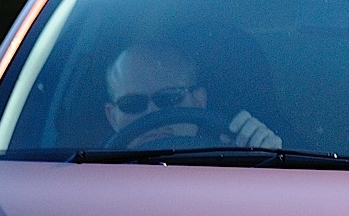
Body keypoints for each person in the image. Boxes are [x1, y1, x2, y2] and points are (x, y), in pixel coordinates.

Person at [103, 43, 282, 149]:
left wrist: (266, 158)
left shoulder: (237, 166)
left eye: (169, 98)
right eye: (132, 103)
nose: (152, 113)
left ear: (198, 100)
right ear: (112, 116)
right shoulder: (84, 177)